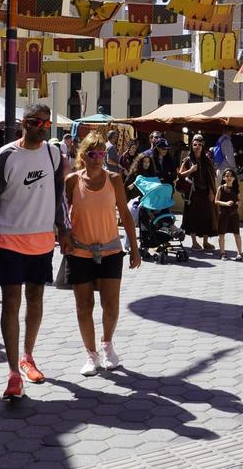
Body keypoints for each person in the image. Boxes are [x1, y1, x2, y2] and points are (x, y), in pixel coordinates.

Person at [0, 104, 68, 401]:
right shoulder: (6, 155)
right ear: (24, 123)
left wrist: (64, 228)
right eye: (37, 122)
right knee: (11, 303)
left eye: (47, 124)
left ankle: (28, 357)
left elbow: (59, 195)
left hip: (41, 241)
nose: (42, 127)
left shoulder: (53, 155)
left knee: (35, 298)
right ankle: (13, 372)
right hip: (8, 239)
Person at [65, 131, 141, 376]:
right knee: (84, 306)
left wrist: (135, 248)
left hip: (110, 250)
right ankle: (91, 354)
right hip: (80, 251)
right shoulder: (73, 181)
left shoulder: (115, 179)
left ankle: (107, 344)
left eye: (101, 153)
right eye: (92, 153)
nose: (97, 158)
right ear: (83, 156)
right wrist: (61, 237)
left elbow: (126, 214)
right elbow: (61, 214)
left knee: (110, 305)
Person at [179, 134, 217, 250]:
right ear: (192, 145)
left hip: (205, 192)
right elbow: (180, 175)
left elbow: (211, 178)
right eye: (195, 144)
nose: (198, 146)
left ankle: (205, 242)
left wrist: (211, 192)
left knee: (207, 217)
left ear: (203, 146)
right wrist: (190, 170)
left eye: (200, 144)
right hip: (192, 193)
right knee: (192, 217)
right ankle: (194, 242)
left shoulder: (207, 160)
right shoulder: (188, 159)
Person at [215, 168, 243, 261]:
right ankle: (223, 253)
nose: (229, 177)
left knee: (237, 234)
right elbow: (216, 201)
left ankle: (239, 253)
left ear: (234, 178)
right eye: (227, 175)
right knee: (221, 234)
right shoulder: (221, 188)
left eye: (231, 175)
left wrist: (238, 203)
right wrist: (225, 203)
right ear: (223, 178)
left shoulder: (236, 189)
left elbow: (239, 200)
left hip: (234, 214)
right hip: (223, 214)